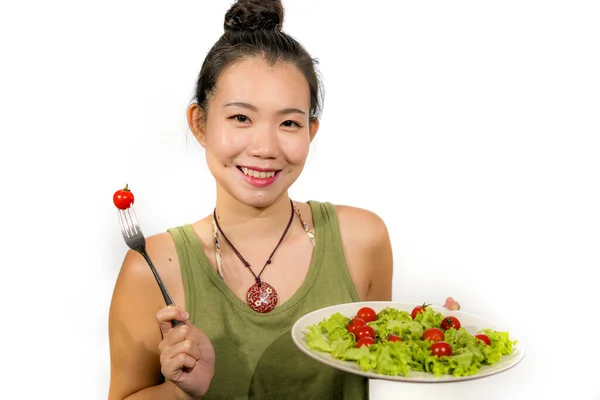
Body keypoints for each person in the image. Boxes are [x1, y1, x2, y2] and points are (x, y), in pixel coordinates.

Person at [108, 0, 393, 398]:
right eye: (241, 118)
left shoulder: (362, 239)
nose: (264, 147)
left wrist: (439, 337)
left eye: (289, 122)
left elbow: (381, 358)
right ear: (200, 123)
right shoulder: (151, 267)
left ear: (311, 132)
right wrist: (180, 392)